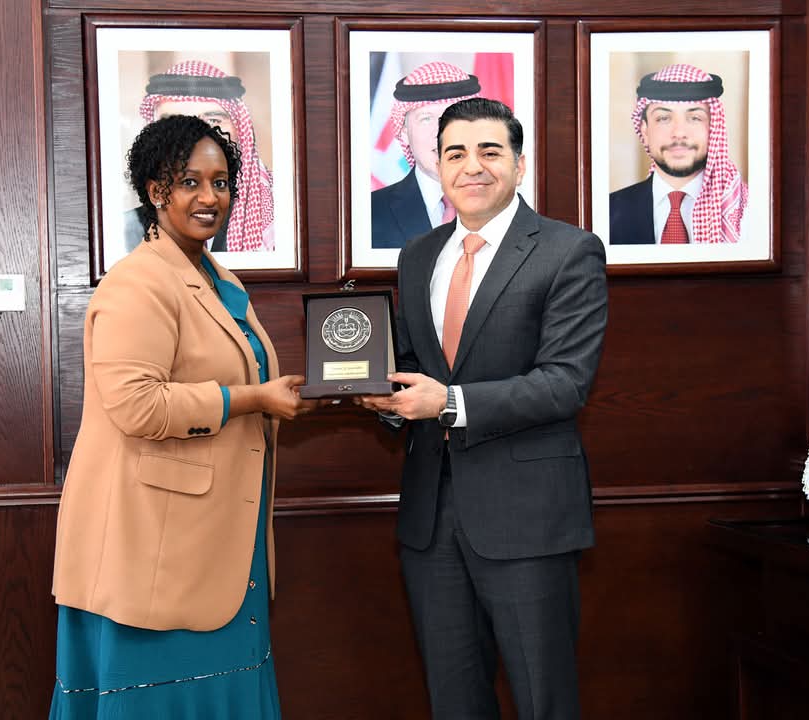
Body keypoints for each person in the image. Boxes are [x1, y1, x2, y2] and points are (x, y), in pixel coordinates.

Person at [50, 115, 317, 719]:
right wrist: (252, 399)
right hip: (156, 547)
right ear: (156, 191)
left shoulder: (218, 278)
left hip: (217, 537)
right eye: (190, 182)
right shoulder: (137, 282)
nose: (209, 197)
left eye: (220, 183)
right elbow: (137, 404)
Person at [358, 98, 608, 718]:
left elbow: (565, 384)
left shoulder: (568, 250)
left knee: (543, 699)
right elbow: (412, 366)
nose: (472, 166)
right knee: (454, 700)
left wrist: (447, 403)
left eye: (489, 151)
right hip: (430, 519)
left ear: (520, 165)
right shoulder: (418, 255)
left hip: (528, 519)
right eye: (455, 154)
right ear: (437, 168)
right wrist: (385, 400)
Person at [124, 59, 275, 254]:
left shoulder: (280, 214)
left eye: (213, 120)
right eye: (175, 123)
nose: (195, 136)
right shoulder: (127, 230)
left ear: (239, 129)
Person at [609, 63, 748, 245]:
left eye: (695, 118)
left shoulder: (748, 212)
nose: (679, 133)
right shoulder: (608, 211)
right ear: (645, 130)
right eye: (664, 118)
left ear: (713, 128)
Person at [370, 61, 481, 249]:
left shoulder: (505, 207)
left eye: (453, 116)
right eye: (426, 119)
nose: (440, 132)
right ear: (404, 133)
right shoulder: (371, 213)